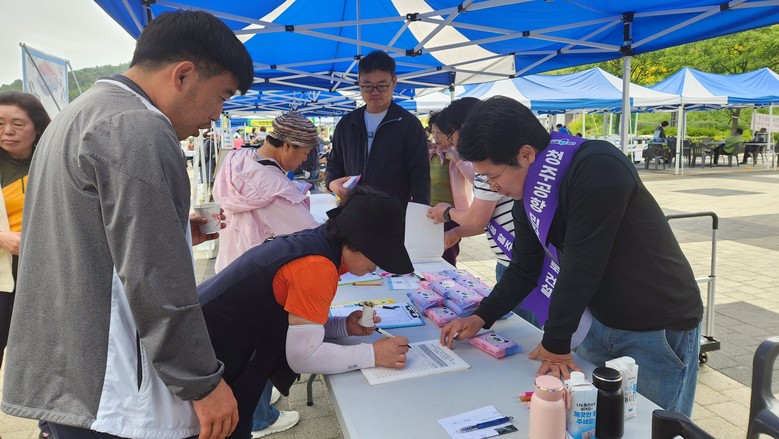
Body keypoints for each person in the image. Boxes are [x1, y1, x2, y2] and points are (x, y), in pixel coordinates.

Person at [2, 10, 254, 439]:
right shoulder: (138, 126)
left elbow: (87, 236)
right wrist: (201, 382)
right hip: (113, 387)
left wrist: (176, 232)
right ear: (184, 75)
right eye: (222, 96)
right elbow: (155, 276)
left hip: (69, 372)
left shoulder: (77, 114)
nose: (216, 115)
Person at [440, 96, 703, 417]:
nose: (493, 187)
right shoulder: (529, 191)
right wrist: (481, 316)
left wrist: (556, 342)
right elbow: (524, 268)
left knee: (652, 425)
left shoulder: (597, 167)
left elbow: (582, 266)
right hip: (597, 321)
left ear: (526, 154)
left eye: (492, 176)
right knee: (595, 422)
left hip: (653, 327)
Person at [198, 186, 413, 439]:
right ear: (357, 242)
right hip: (207, 356)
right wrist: (373, 354)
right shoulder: (317, 267)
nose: (375, 267)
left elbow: (295, 320)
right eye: (376, 256)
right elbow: (303, 356)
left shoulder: (318, 242)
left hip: (211, 339)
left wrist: (343, 326)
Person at [213, 112, 322, 437]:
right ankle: (260, 418)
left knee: (246, 347)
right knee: (259, 349)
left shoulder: (238, 159)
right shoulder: (274, 186)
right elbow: (309, 235)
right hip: (257, 281)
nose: (304, 160)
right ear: (288, 145)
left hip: (230, 265)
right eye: (304, 153)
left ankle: (261, 403)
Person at [426, 98, 539, 328]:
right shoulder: (488, 167)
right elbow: (482, 217)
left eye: (450, 136)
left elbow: (478, 218)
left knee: (525, 329)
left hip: (519, 266)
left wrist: (447, 213)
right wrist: (457, 231)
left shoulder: (491, 161)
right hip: (511, 263)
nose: (495, 187)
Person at [325, 50, 430, 205]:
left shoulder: (409, 124)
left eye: (382, 85)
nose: (375, 92)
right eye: (367, 86)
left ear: (394, 82)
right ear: (359, 83)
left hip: (394, 213)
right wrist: (332, 183)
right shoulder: (347, 123)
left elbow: (420, 176)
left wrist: (418, 212)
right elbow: (334, 163)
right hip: (351, 211)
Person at [0, 91, 50, 368]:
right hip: (2, 280)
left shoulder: (55, 163)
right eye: (0, 124)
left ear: (37, 127)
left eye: (17, 124)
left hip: (43, 278)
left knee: (42, 360)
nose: (8, 131)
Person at [427, 104, 475, 266]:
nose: (436, 136)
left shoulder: (461, 154)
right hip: (429, 212)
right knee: (426, 253)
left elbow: (475, 177)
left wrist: (457, 159)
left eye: (440, 132)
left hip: (451, 214)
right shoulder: (430, 153)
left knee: (447, 254)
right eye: (433, 131)